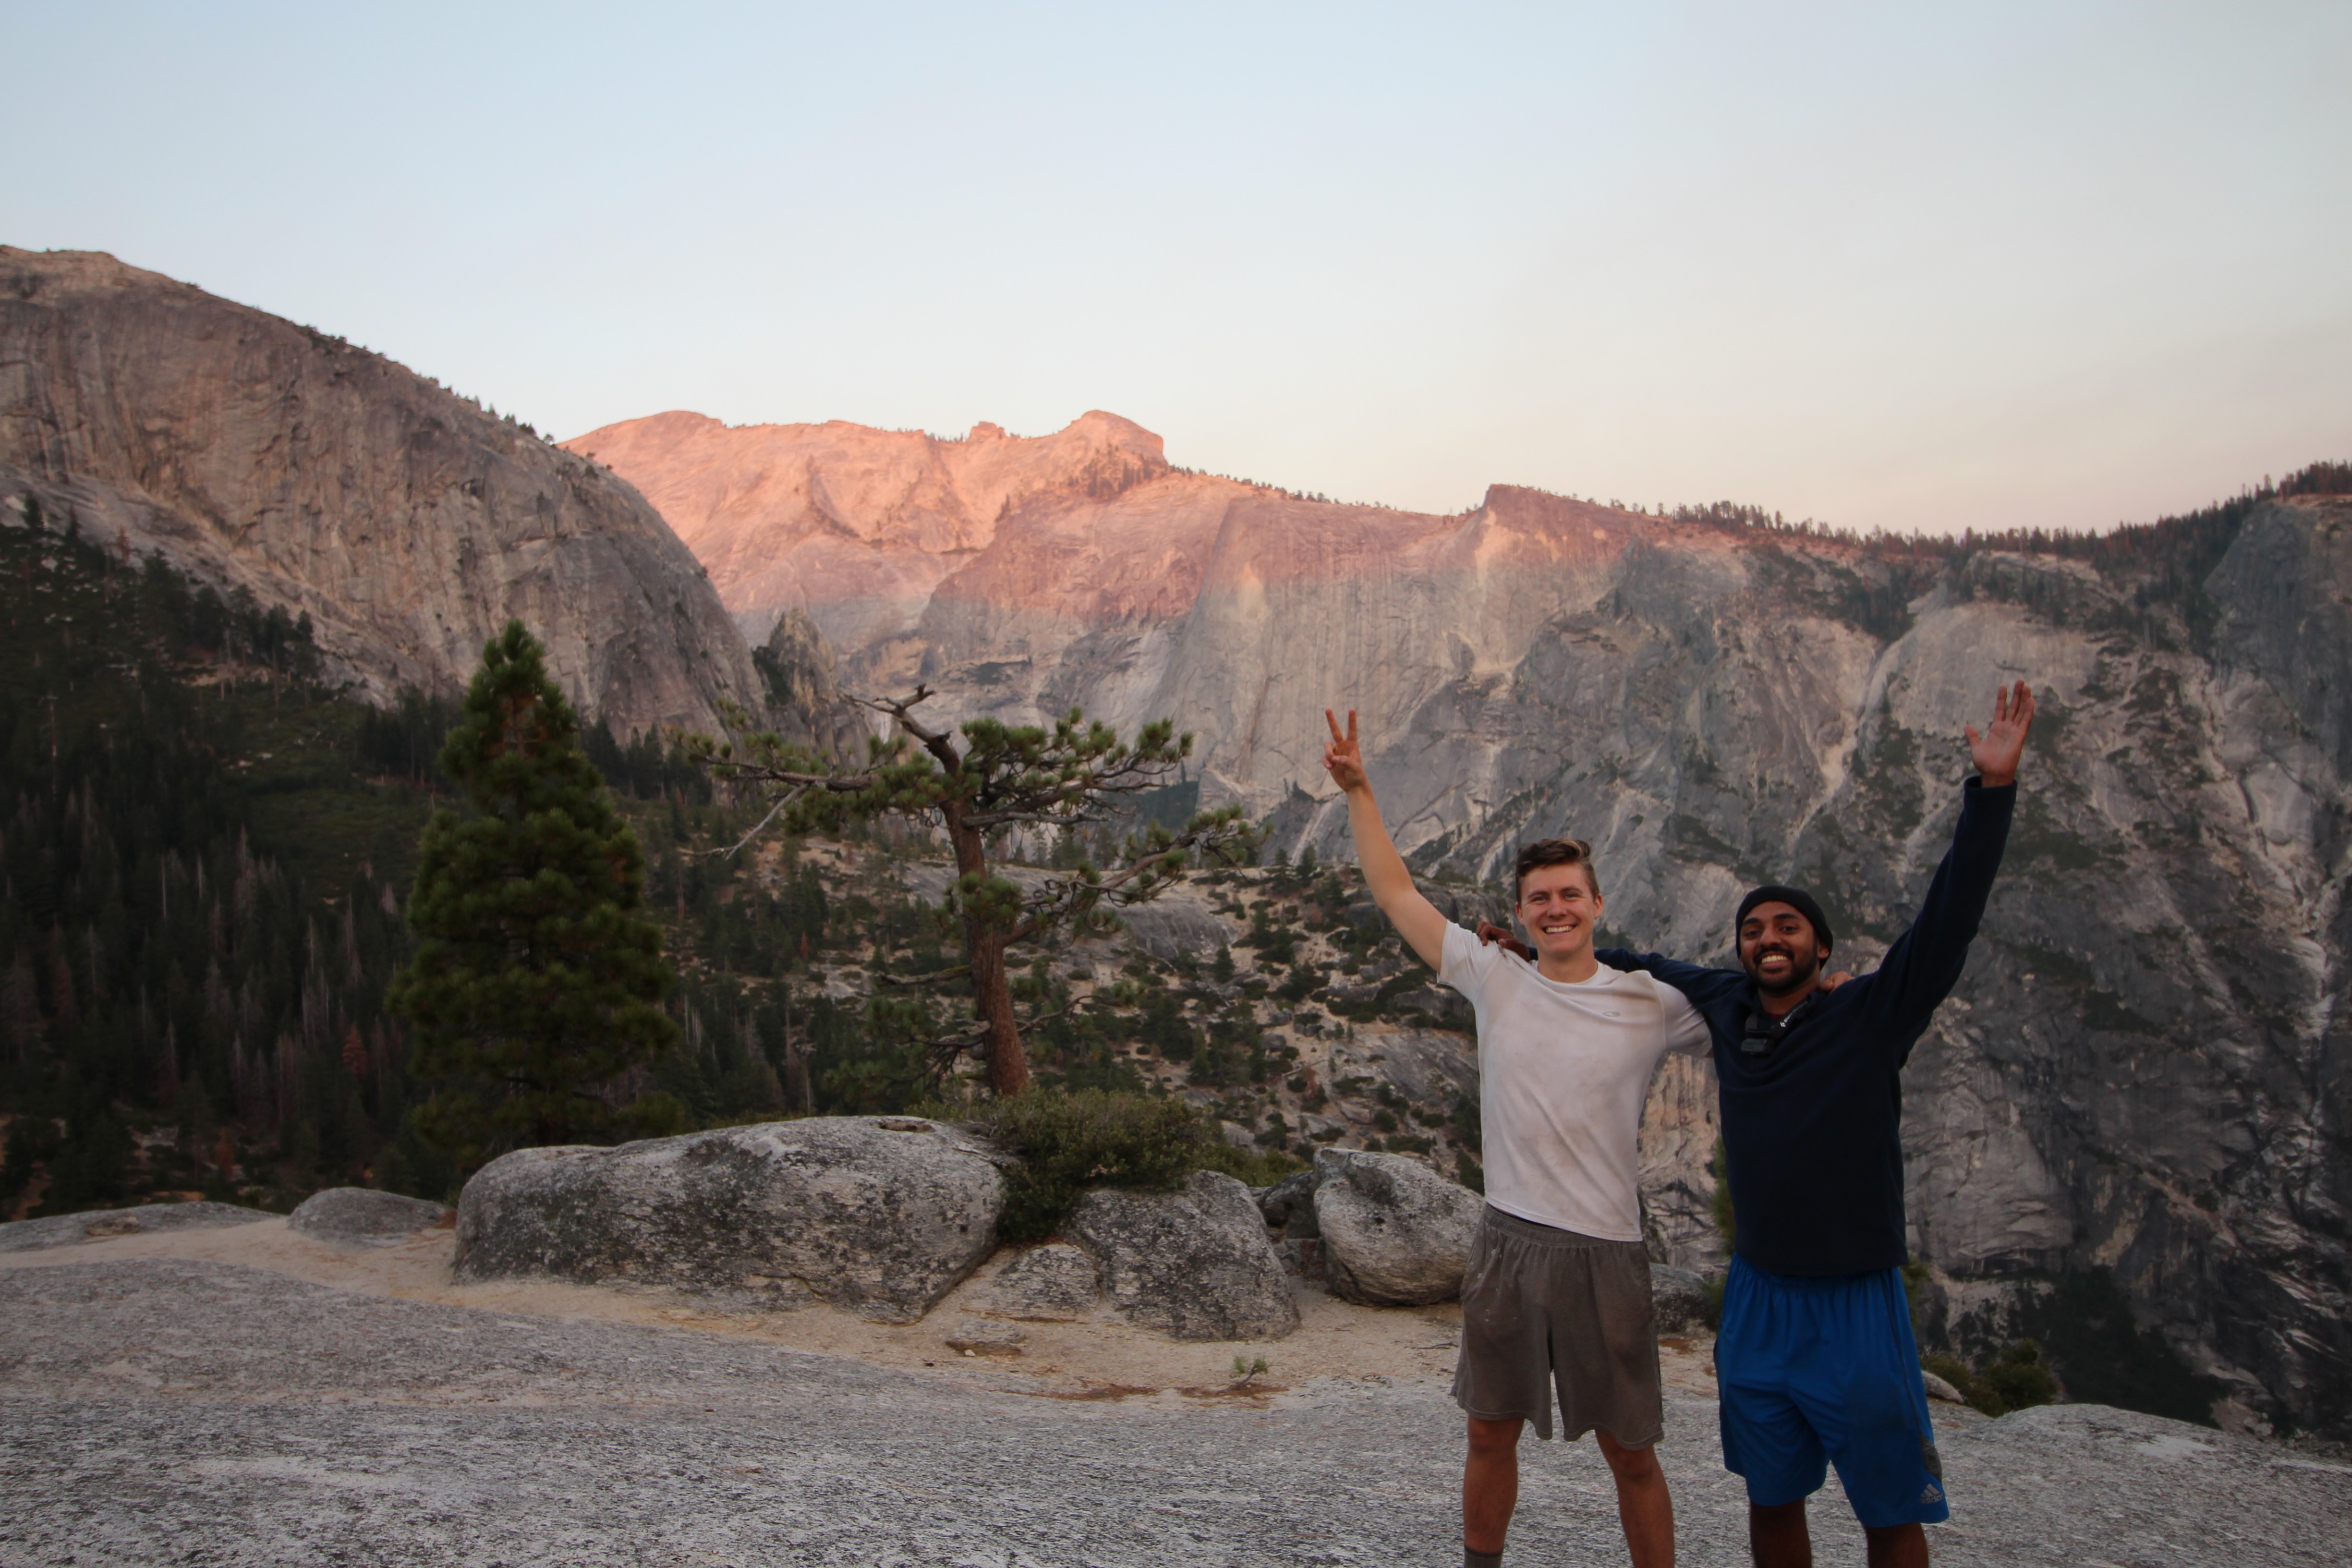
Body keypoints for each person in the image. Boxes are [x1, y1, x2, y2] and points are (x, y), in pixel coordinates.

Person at [1584, 679, 2037, 1568]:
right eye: (1753, 928)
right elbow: (1634, 960)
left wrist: (1991, 793)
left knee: (1888, 1504)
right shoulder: (1723, 1000)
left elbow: (1949, 920)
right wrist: (1526, 951)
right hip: (1757, 1296)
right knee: (1771, 1489)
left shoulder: (1872, 1013)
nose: (1766, 938)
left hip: (1856, 1299)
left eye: (1787, 926)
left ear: (1821, 949)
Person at [1322, 706, 1704, 1568]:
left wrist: (1824, 991)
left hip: (1608, 1251)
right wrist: (1360, 793)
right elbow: (1396, 894)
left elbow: (1762, 1021)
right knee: (1488, 1435)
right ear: (1522, 912)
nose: (1556, 907)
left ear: (1597, 903)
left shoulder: (1653, 1002)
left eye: (1571, 894)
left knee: (1632, 1451)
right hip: (1509, 1239)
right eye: (1540, 898)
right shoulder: (1495, 976)